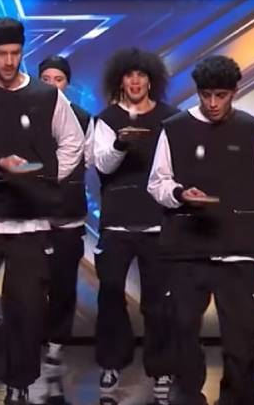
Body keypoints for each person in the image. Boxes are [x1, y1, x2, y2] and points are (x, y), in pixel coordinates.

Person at [0, 18, 84, 405]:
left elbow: (73, 141)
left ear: (23, 51)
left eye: (15, 53)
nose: (8, 61)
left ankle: (19, 382)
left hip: (30, 220)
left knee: (25, 305)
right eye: (1, 53)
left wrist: (49, 177)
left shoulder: (47, 96)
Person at [147, 55, 254, 405]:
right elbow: (158, 182)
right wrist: (180, 194)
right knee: (182, 330)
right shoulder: (175, 129)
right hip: (187, 250)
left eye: (220, 95)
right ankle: (188, 395)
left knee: (240, 339)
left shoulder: (253, 130)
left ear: (234, 92)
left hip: (238, 252)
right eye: (206, 95)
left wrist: (237, 216)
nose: (213, 103)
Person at [93, 48, 178, 405]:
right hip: (116, 225)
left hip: (157, 224)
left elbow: (175, 167)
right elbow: (101, 164)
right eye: (129, 75)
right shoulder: (106, 119)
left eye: (141, 75)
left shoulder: (170, 119)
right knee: (111, 293)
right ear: (120, 80)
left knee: (158, 302)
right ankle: (112, 362)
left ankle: (161, 368)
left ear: (151, 80)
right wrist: (120, 143)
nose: (135, 81)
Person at [34, 55, 93, 405]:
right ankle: (29, 343)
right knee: (29, 285)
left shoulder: (83, 118)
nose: (52, 84)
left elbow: (88, 160)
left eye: (58, 78)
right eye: (46, 78)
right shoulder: (25, 114)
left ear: (67, 83)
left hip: (68, 215)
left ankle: (56, 345)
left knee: (63, 286)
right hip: (31, 217)